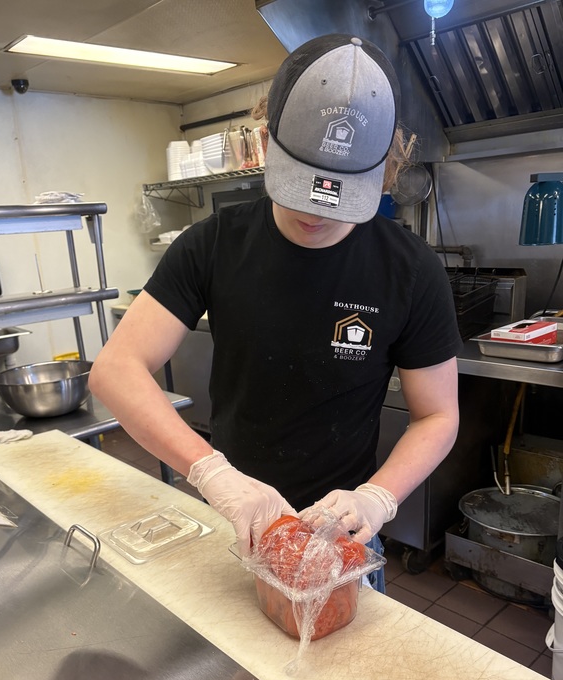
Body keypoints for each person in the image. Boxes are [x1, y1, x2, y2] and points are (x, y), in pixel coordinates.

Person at [89, 33, 462, 592]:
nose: (317, 215)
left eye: (338, 197)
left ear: (383, 170)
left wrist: (377, 497)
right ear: (267, 144)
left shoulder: (411, 270)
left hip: (342, 537)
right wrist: (213, 475)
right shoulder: (213, 244)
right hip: (234, 520)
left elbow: (437, 416)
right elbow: (115, 370)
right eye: (301, 187)